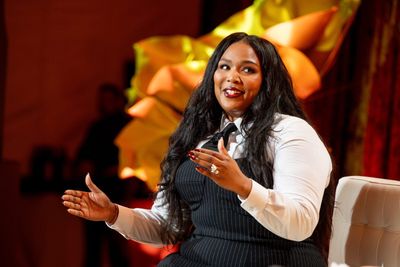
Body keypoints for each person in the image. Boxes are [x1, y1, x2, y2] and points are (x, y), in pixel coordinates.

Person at [62, 32, 335, 267]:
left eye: (248, 69)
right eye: (224, 67)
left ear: (269, 82)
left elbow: (301, 223)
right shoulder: (198, 136)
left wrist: (243, 186)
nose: (233, 77)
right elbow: (167, 226)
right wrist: (113, 213)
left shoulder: (290, 132)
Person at [72, 83, 134, 267]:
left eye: (109, 99)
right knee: (93, 243)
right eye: (102, 100)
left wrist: (119, 170)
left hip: (116, 190)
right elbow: (83, 154)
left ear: (117, 100)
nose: (105, 103)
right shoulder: (96, 127)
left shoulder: (126, 125)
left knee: (117, 241)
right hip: (95, 189)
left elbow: (133, 156)